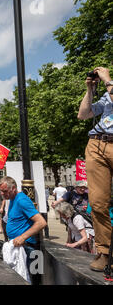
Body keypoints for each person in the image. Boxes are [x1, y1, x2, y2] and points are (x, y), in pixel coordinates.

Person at [77, 66, 113, 271]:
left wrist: (107, 79)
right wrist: (90, 90)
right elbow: (83, 114)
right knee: (98, 203)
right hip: (96, 144)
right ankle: (105, 252)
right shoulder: (107, 96)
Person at [0, 176, 47, 284]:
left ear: (14, 188)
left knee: (27, 280)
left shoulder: (22, 200)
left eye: (5, 191)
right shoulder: (11, 199)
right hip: (18, 247)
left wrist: (22, 236)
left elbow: (41, 222)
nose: (2, 194)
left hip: (27, 248)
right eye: (1, 191)